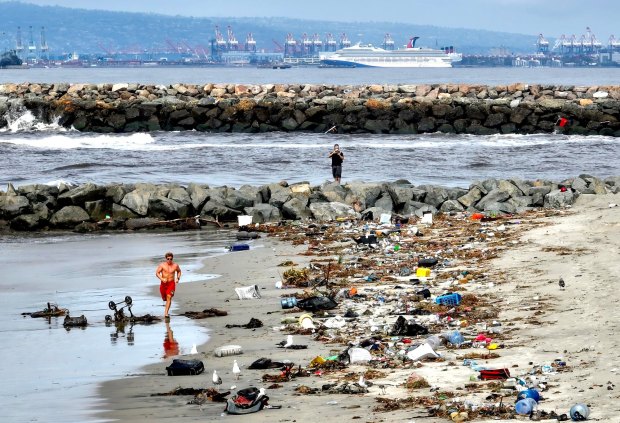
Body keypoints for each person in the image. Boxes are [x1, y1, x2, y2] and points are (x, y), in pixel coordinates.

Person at [155, 251, 182, 320]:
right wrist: (162, 278)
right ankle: (166, 306)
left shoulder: (175, 265)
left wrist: (177, 278)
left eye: (171, 259)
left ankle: (166, 313)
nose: (169, 260)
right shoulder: (162, 265)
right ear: (166, 259)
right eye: (168, 259)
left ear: (172, 259)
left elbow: (179, 271)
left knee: (169, 297)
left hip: (171, 283)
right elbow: (157, 273)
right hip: (163, 283)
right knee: (164, 298)